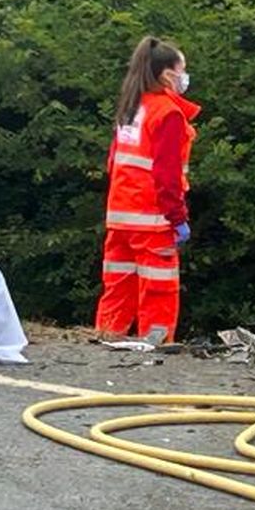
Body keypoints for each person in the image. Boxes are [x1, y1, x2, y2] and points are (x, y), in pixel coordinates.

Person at [95, 36, 199, 348]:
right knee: (159, 287)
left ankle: (107, 337)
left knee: (118, 284)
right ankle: (155, 344)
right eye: (182, 70)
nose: (184, 77)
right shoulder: (167, 113)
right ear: (168, 74)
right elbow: (166, 174)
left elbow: (113, 162)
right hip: (152, 219)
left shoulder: (132, 107)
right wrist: (177, 217)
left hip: (120, 217)